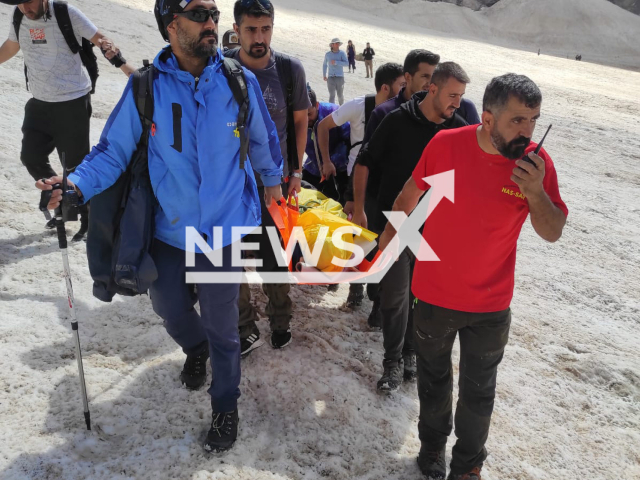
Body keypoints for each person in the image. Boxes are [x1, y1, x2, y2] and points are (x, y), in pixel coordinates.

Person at [38, 0, 284, 454]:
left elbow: (261, 138)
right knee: (170, 309)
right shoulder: (145, 88)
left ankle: (225, 405)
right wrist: (73, 186)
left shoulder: (237, 79)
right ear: (173, 26)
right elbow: (110, 153)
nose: (211, 23)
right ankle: (194, 349)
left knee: (223, 326)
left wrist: (272, 184)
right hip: (170, 229)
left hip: (223, 229)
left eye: (214, 13)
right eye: (199, 14)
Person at [378, 73, 568, 480]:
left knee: (479, 393)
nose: (527, 131)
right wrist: (387, 247)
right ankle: (431, 451)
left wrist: (535, 191)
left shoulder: (536, 164)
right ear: (486, 118)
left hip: (491, 305)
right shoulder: (447, 144)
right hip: (433, 296)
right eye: (517, 120)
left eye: (534, 120)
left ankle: (468, 465)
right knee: (433, 383)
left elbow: (552, 231)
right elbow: (409, 195)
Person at [352, 62, 470, 394]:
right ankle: (392, 362)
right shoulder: (397, 120)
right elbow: (365, 162)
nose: (456, 104)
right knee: (395, 296)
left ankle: (410, 354)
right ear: (432, 89)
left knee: (421, 298)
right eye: (452, 96)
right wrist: (358, 207)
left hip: (435, 232)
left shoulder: (457, 130)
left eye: (461, 97)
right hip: (395, 225)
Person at [0, 0, 135, 240]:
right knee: (31, 157)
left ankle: (88, 217)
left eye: (28, 1)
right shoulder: (18, 15)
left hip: (72, 102)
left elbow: (101, 40)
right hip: (39, 101)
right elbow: (12, 45)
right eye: (19, 3)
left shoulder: (65, 13)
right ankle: (64, 202)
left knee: (75, 166)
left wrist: (124, 66)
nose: (24, 8)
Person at [227, 0, 310, 354]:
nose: (259, 38)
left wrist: (295, 170)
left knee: (272, 254)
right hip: (229, 180)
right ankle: (243, 324)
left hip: (271, 179)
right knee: (229, 257)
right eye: (251, 29)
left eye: (266, 29)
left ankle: (280, 319)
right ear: (237, 28)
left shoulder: (289, 69)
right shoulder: (221, 66)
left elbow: (300, 121)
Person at [315, 62, 404, 308]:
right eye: (401, 85)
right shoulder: (357, 106)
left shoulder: (404, 111)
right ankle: (353, 286)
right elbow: (323, 126)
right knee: (354, 233)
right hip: (356, 183)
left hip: (385, 183)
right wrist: (327, 161)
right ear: (386, 88)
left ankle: (366, 286)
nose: (406, 89)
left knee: (376, 235)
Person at [304, 85, 350, 201]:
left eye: (309, 114)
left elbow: (349, 140)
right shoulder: (295, 119)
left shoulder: (334, 113)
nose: (305, 119)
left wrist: (330, 162)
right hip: (313, 166)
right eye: (302, 115)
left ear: (317, 105)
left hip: (339, 168)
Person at [322, 37, 348, 105]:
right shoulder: (327, 54)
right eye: (336, 44)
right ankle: (332, 111)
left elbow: (346, 63)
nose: (337, 45)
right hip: (330, 78)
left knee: (340, 96)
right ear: (332, 45)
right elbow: (325, 65)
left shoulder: (342, 53)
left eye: (338, 44)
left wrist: (337, 62)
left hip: (340, 77)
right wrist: (324, 75)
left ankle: (342, 109)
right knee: (332, 96)